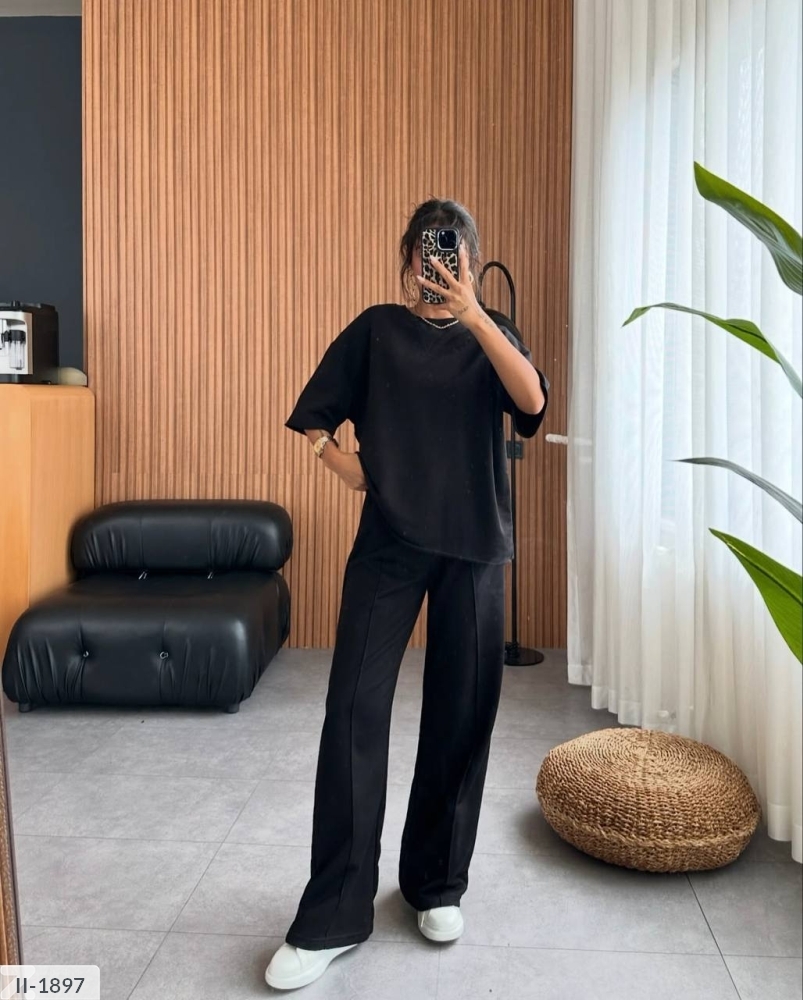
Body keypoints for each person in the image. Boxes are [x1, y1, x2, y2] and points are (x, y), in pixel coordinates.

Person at [265, 199, 549, 991]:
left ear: (470, 261)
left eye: (452, 255)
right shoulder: (376, 331)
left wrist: (475, 315)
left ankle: (435, 884)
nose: (438, 269)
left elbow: (530, 402)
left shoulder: (492, 335)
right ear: (406, 261)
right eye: (427, 255)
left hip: (474, 548)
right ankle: (332, 915)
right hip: (388, 544)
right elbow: (314, 415)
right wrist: (338, 463)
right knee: (353, 712)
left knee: (461, 716)